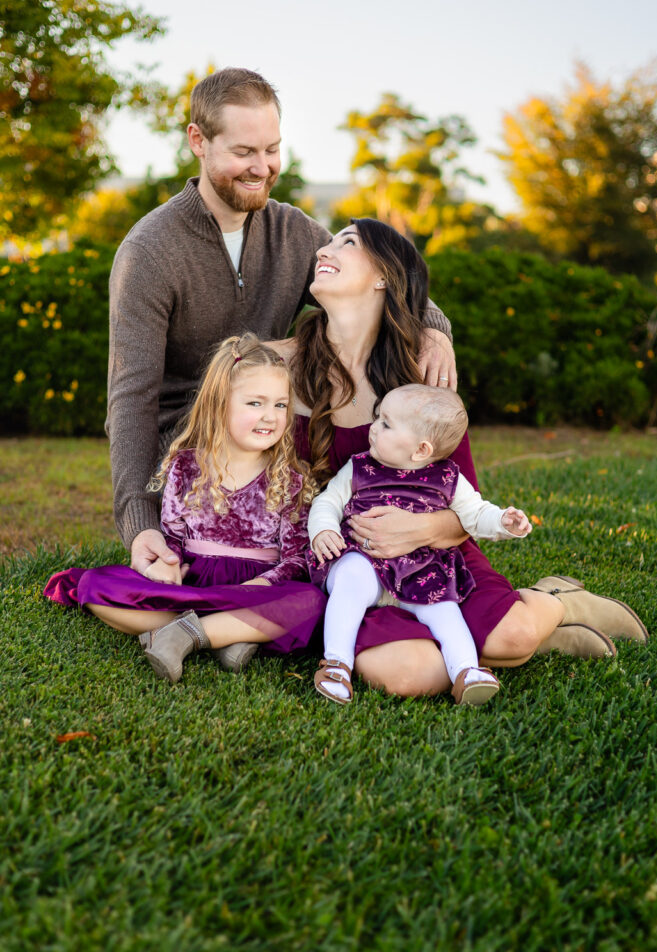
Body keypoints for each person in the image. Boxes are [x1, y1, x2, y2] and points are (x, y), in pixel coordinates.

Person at [268, 217, 648, 698]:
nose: (325, 249)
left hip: (434, 558)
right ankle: (510, 642)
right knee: (410, 676)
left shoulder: (420, 379)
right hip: (348, 565)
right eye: (329, 240)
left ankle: (559, 602)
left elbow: (461, 501)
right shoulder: (275, 364)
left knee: (511, 637)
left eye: (347, 242)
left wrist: (417, 530)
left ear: (384, 276)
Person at [106, 67, 455, 583]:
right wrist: (140, 524)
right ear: (198, 142)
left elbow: (372, 274)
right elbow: (132, 397)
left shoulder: (292, 230)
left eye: (272, 149)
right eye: (244, 152)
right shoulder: (148, 251)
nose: (262, 167)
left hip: (276, 441)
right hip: (191, 462)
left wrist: (434, 327)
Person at [44, 334, 326, 683]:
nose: (270, 416)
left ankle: (185, 635)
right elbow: (174, 537)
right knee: (94, 586)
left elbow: (297, 559)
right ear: (219, 403)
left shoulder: (290, 477)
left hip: (257, 589)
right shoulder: (186, 466)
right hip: (196, 583)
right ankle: (230, 634)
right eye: (255, 403)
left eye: (280, 406)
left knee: (311, 601)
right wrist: (167, 563)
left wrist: (262, 584)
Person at [308, 384, 532, 706]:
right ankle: (336, 665)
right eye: (377, 417)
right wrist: (323, 530)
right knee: (350, 585)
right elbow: (328, 501)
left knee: (444, 610)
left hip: (421, 572)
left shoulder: (448, 478)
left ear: (421, 450)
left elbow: (475, 514)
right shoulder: (360, 467)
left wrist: (504, 523)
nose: (373, 428)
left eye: (385, 424)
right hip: (363, 557)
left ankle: (467, 672)